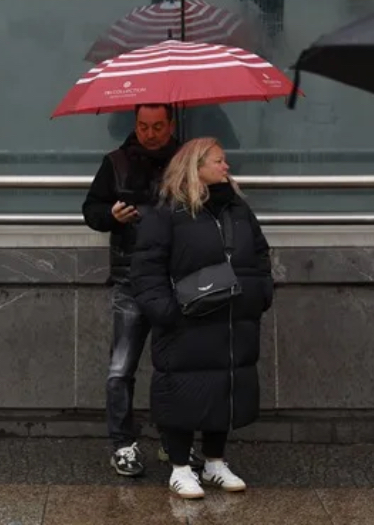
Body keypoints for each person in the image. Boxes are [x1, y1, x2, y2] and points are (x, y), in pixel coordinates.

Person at [129, 137, 274, 499]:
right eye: (218, 161)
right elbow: (147, 269)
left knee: (223, 388)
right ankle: (180, 467)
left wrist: (260, 294)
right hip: (186, 321)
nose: (226, 167)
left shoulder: (237, 209)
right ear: (195, 167)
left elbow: (259, 254)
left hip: (233, 319)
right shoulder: (168, 212)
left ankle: (214, 462)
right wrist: (166, 312)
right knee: (183, 392)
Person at [82, 104, 184, 477]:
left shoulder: (186, 161)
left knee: (174, 367)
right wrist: (111, 216)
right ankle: (122, 443)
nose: (150, 133)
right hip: (130, 278)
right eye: (143, 126)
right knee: (120, 367)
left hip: (175, 278)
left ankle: (175, 442)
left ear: (170, 125)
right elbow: (91, 209)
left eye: (157, 126)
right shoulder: (116, 162)